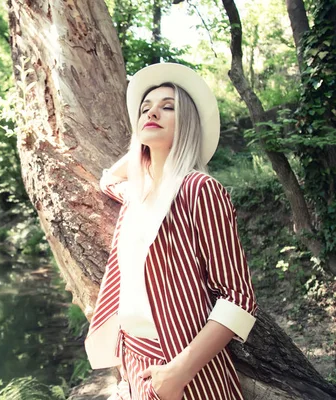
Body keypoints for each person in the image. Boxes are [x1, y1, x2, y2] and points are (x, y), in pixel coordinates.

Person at [85, 63, 258, 400]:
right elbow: (108, 179)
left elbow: (239, 297)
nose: (153, 112)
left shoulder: (200, 189)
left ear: (188, 124)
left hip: (185, 367)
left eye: (168, 107)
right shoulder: (137, 194)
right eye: (145, 108)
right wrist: (140, 149)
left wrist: (179, 371)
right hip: (132, 361)